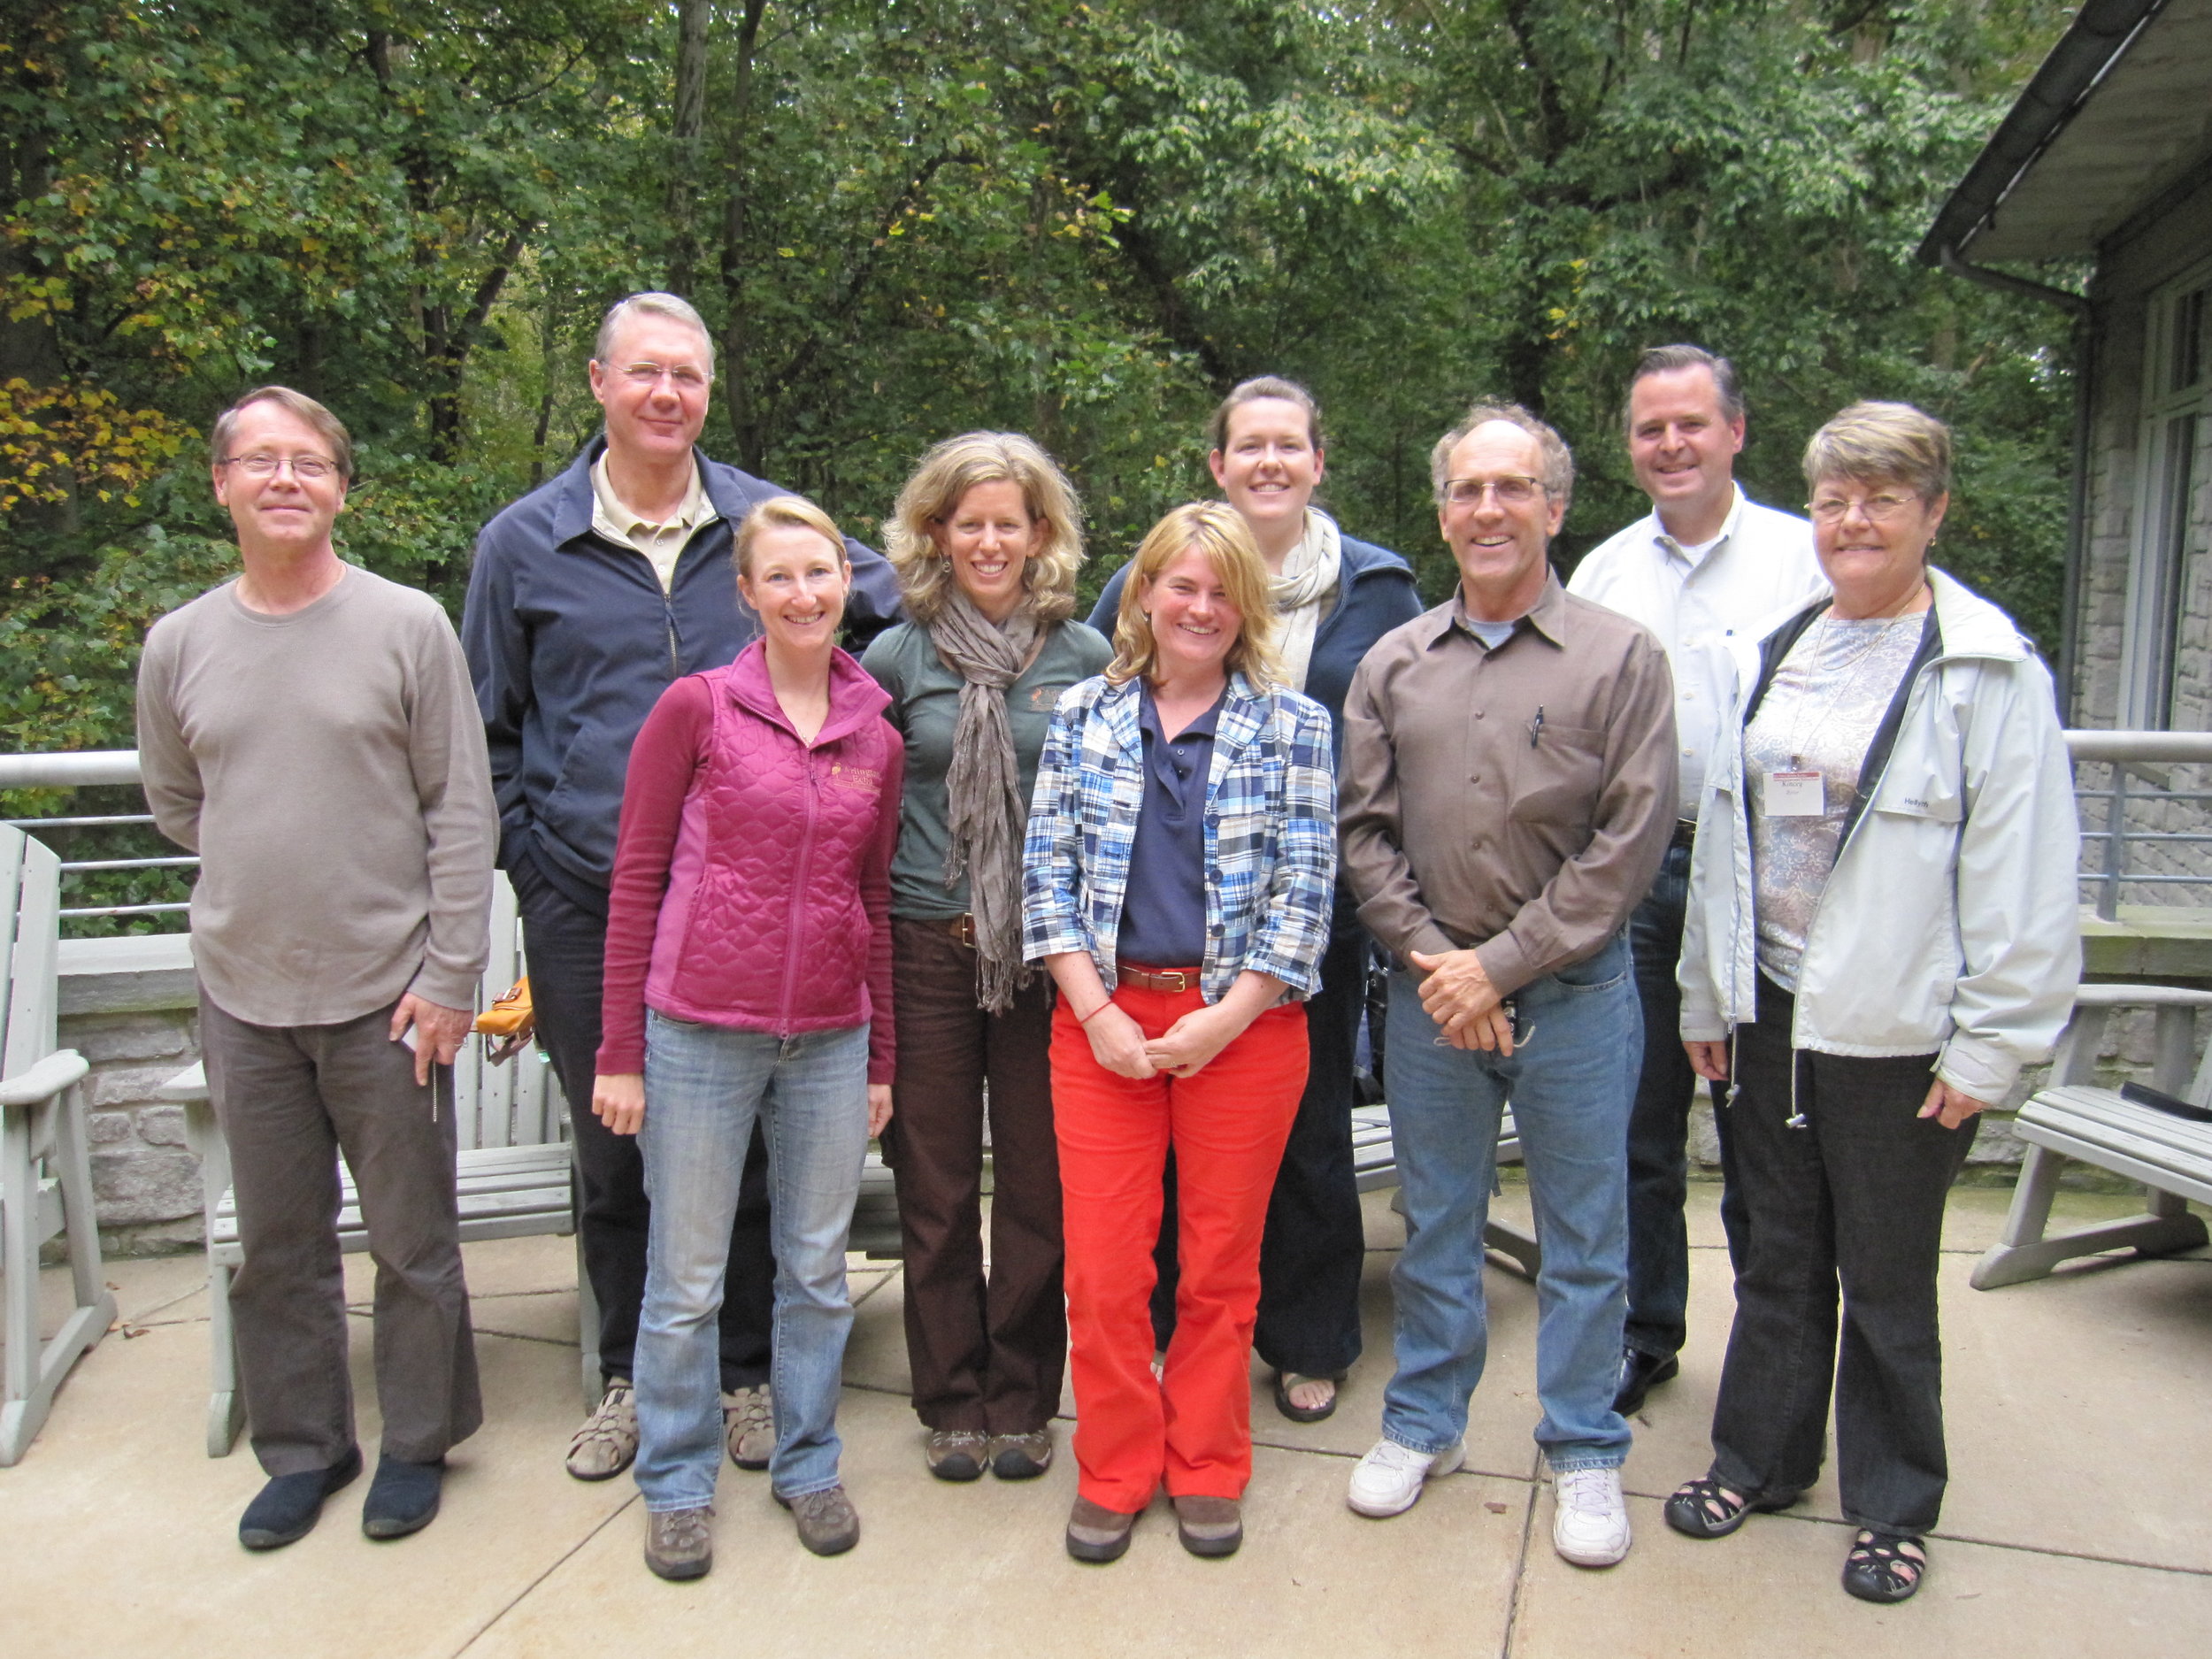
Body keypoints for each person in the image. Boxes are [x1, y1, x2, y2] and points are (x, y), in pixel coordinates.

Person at [462, 293, 901, 1483]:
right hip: (589, 889)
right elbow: (486, 722)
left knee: (759, 1153)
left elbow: (898, 605)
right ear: (600, 380)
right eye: (645, 371)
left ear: (710, 390)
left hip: (757, 896)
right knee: (615, 1149)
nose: (668, 394)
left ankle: (748, 1375)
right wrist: (530, 849)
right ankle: (628, 1375)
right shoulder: (525, 541)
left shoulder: (763, 521)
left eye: (690, 376)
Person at [1664, 402, 2078, 1604]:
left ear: (1934, 511)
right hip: (1771, 1014)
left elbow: (2027, 873)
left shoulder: (1986, 671)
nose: (1855, 519)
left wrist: (1990, 1044)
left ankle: (1895, 1500)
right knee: (1778, 1256)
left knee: (1889, 1275)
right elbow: (1729, 844)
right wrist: (1709, 990)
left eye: (1883, 497)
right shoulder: (1775, 651)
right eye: (1837, 497)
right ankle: (1762, 1456)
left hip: (1902, 1034)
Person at [137, 387, 495, 1549]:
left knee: (411, 1239)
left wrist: (450, 973)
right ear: (222, 484)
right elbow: (181, 804)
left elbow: (461, 809)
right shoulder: (179, 643)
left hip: (390, 994)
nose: (285, 478)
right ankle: (304, 1446)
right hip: (245, 996)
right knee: (278, 1243)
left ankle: (414, 1442)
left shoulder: (407, 626)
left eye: (310, 461)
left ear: (344, 486)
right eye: (260, 460)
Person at [1337, 402, 1676, 1568]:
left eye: (1513, 487)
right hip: (1436, 1006)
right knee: (1437, 1226)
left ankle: (1583, 1443)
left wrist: (1504, 964)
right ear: (1443, 512)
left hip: (1578, 999)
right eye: (1469, 490)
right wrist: (1446, 967)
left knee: (1588, 1237)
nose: (1490, 508)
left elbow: (1630, 844)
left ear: (1555, 505)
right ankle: (1424, 1421)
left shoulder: (1621, 656)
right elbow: (1364, 834)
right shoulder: (1393, 663)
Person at [1089, 377, 1422, 1424]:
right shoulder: (1161, 571)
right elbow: (1097, 685)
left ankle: (1306, 1335)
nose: (1269, 462)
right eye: (1249, 446)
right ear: (1218, 465)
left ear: (1319, 462)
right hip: (1168, 911)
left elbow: (1417, 730)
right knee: (1177, 1135)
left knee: (1307, 1127)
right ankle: (1175, 1338)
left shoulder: (1376, 587)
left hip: (1305, 912)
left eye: (1290, 445)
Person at [592, 496, 902, 1578]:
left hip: (827, 1038)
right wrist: (618, 1051)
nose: (805, 595)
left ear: (846, 583)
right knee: (686, 1278)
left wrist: (881, 1059)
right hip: (696, 1032)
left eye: (821, 574)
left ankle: (809, 1462)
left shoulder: (877, 732)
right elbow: (635, 878)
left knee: (816, 1268)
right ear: (748, 594)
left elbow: (874, 902)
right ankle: (676, 1482)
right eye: (781, 578)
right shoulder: (698, 708)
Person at [1025, 503, 1335, 1563]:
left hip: (1242, 1026)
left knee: (1218, 1268)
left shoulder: (1293, 725)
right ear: (1144, 595)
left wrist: (1228, 1014)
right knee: (1107, 1273)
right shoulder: (1081, 716)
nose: (1199, 608)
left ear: (1245, 605)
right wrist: (1097, 1011)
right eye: (1180, 586)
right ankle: (1115, 1465)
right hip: (1103, 1026)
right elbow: (1046, 885)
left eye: (1220, 591)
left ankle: (1206, 1462)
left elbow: (1306, 897)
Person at [1567, 345, 1827, 1417]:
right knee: (1634, 1127)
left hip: (1766, 878)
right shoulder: (1604, 572)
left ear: (1735, 431)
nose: (1669, 444)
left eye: (1689, 424)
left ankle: (1776, 1352)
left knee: (1764, 1131)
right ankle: (1644, 1331)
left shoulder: (1806, 557)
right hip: (1633, 872)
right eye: (1648, 428)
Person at [862, 434, 1111, 1482]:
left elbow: (1112, 813)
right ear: (936, 533)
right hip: (924, 945)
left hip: (1042, 958)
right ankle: (951, 1400)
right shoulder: (895, 655)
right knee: (935, 1186)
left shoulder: (1085, 658)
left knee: (1038, 1189)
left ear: (1040, 533)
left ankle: (1022, 1398)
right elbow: (865, 812)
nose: (989, 540)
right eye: (969, 522)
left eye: (1009, 521)